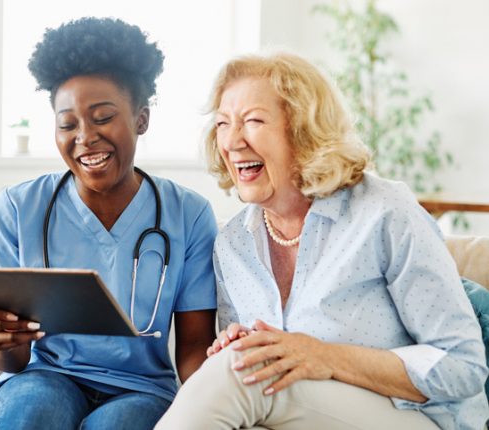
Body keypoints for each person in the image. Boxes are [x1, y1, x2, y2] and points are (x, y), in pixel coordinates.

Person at [155, 52, 489, 429]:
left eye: (252, 121)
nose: (231, 141)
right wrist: (242, 345)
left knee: (240, 373)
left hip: (419, 417)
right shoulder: (233, 243)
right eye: (222, 124)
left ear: (303, 131)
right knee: (239, 366)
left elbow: (463, 366)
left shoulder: (383, 212)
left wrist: (322, 356)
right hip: (306, 416)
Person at [0, 17, 218, 430]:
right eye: (67, 124)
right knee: (33, 413)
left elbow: (195, 348)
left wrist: (215, 408)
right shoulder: (18, 209)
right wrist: (0, 344)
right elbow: (8, 359)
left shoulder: (189, 215)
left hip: (142, 389)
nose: (85, 137)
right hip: (44, 377)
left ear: (141, 119)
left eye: (103, 117)